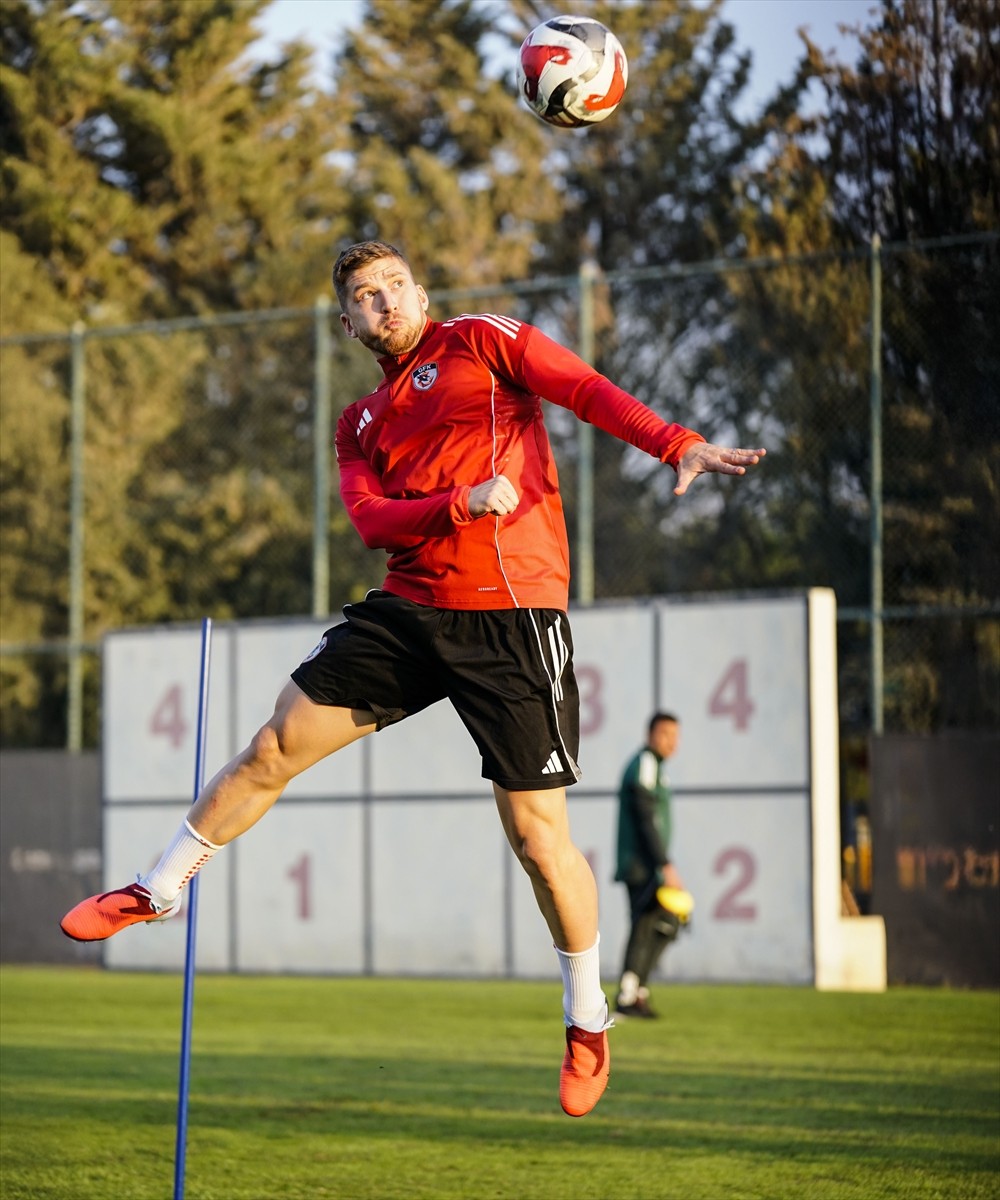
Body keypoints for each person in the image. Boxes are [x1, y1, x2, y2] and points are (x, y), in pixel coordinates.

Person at [61, 240, 765, 1117]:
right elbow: (370, 521)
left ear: (421, 293)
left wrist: (677, 445)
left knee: (540, 843)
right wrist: (457, 505)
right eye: (365, 295)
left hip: (512, 613)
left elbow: (583, 388)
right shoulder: (358, 421)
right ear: (346, 321)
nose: (384, 302)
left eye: (395, 286)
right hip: (409, 606)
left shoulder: (483, 339)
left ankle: (588, 1019)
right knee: (274, 744)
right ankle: (157, 890)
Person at [613, 711, 688, 1018]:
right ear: (650, 734)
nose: (672, 742)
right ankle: (628, 994)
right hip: (642, 865)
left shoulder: (658, 768)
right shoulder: (644, 763)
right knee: (645, 925)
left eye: (676, 736)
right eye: (666, 734)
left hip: (652, 866)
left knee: (668, 923)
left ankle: (637, 989)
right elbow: (645, 817)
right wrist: (665, 864)